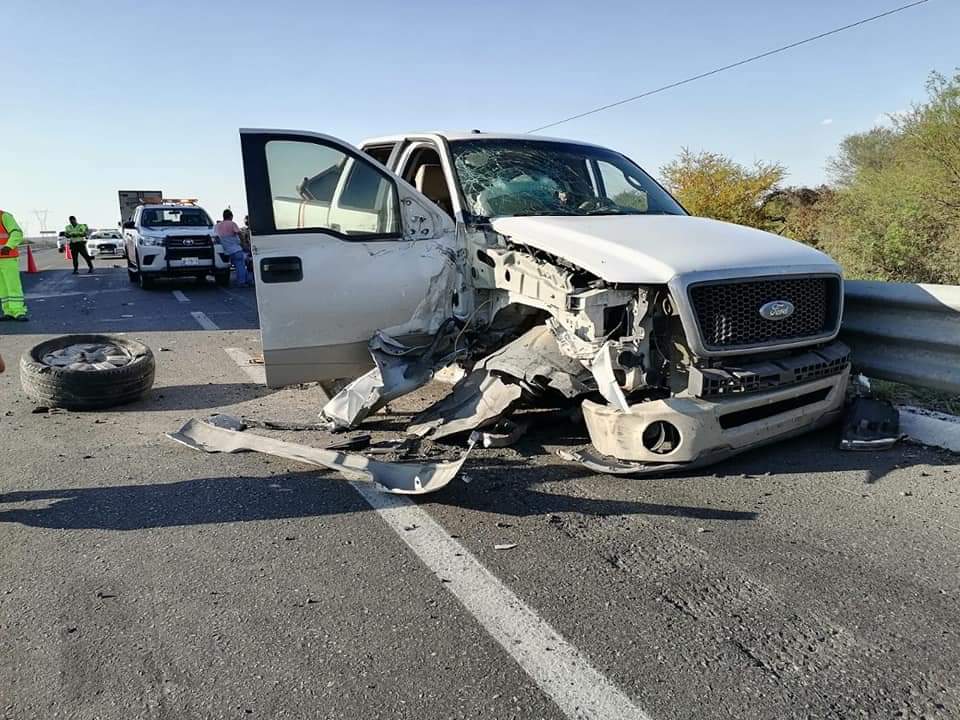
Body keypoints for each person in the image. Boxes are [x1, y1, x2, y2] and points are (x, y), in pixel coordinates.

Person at [0, 208, 28, 321]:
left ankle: (18, 311)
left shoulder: (4, 216)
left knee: (13, 285)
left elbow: (17, 232)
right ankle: (8, 312)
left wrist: (9, 246)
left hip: (7, 257)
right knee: (2, 288)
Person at [214, 209, 250, 287]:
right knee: (241, 266)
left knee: (240, 265)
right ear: (231, 216)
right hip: (236, 249)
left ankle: (248, 280)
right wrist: (243, 243)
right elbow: (239, 233)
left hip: (225, 251)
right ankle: (242, 282)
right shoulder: (232, 224)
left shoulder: (217, 226)